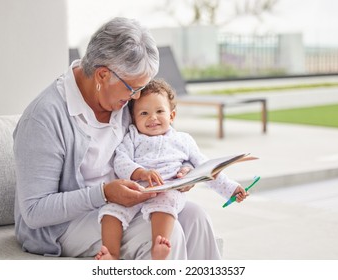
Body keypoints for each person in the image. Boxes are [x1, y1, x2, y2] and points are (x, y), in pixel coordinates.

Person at [12, 17, 234, 259]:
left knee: (196, 218)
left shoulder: (121, 103)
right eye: (133, 88)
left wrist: (185, 171)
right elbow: (34, 211)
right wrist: (105, 193)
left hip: (126, 203)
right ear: (103, 75)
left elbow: (154, 146)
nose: (137, 97)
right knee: (165, 238)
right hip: (64, 224)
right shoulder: (44, 118)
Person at [95, 79, 248, 260]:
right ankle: (111, 253)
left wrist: (231, 189)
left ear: (172, 116)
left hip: (167, 188)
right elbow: (121, 161)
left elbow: (206, 167)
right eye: (144, 113)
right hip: (135, 189)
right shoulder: (132, 138)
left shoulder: (183, 140)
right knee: (111, 211)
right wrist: (140, 172)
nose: (153, 118)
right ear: (134, 119)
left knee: (164, 204)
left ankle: (159, 247)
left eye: (160, 111)